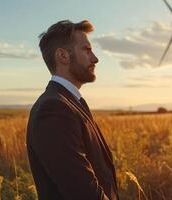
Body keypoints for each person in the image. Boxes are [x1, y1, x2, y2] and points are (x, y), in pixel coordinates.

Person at [26, 20, 118, 200]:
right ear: (63, 56)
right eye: (87, 50)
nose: (95, 58)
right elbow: (84, 193)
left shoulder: (69, 102)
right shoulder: (54, 110)